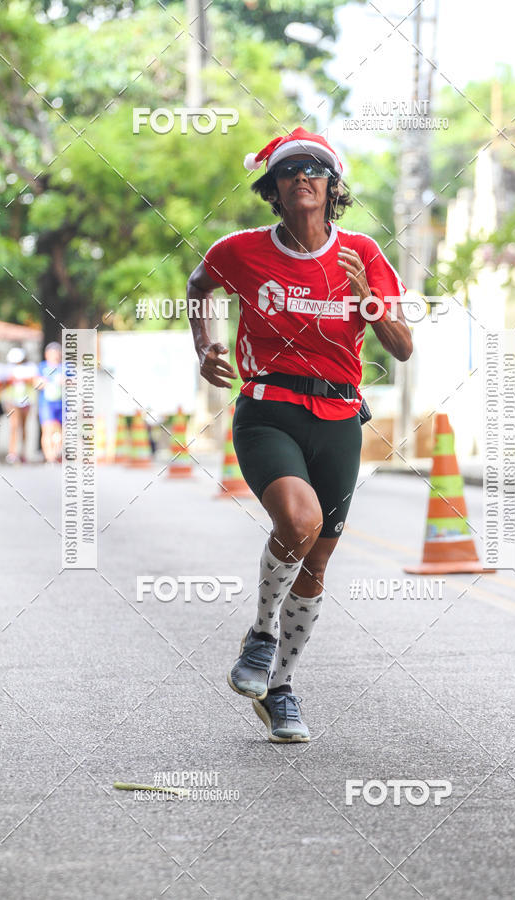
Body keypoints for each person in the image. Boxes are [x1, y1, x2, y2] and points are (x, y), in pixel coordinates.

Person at [186, 127, 413, 743]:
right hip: (268, 409)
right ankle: (260, 635)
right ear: (275, 189)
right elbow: (197, 286)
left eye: (315, 168)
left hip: (339, 419)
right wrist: (205, 345)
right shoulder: (241, 250)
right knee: (299, 519)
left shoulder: (363, 253)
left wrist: (368, 301)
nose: (303, 177)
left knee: (318, 557)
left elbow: (403, 347)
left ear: (333, 185)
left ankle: (279, 688)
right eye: (289, 171)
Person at [3, 347, 37, 464]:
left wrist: (24, 379)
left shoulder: (30, 367)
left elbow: (34, 381)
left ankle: (23, 452)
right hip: (12, 401)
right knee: (14, 426)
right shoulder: (8, 369)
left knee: (23, 427)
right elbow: (4, 382)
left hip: (26, 401)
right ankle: (12, 453)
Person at [36, 342, 63, 463]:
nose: (55, 355)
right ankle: (49, 457)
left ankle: (57, 452)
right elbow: (36, 384)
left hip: (62, 404)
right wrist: (45, 382)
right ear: (46, 354)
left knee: (60, 431)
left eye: (57, 352)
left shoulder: (66, 367)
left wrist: (65, 381)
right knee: (47, 429)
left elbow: (74, 382)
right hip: (46, 403)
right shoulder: (42, 367)